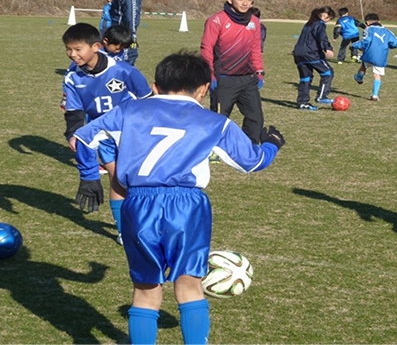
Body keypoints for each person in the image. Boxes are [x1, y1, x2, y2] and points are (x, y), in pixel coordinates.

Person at [71, 51, 285, 345]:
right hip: (187, 207)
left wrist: (88, 177)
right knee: (188, 287)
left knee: (145, 291)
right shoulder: (214, 122)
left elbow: (83, 136)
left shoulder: (129, 111)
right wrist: (272, 145)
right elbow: (253, 162)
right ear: (203, 90)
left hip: (138, 204)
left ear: (155, 87)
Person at [62, 23, 152, 246]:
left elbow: (148, 102)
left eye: (77, 49)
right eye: (68, 49)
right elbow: (74, 111)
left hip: (131, 132)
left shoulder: (124, 71)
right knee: (118, 178)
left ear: (95, 46)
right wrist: (74, 134)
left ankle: (147, 222)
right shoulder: (72, 76)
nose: (72, 54)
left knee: (140, 180)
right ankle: (124, 230)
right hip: (101, 133)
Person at [200, 0, 265, 144]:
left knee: (255, 116)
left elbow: (256, 48)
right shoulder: (216, 21)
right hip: (223, 79)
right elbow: (206, 48)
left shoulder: (255, 22)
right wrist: (210, 74)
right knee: (219, 117)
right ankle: (212, 149)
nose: (245, 3)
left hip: (247, 79)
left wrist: (259, 71)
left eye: (249, 0)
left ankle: (249, 147)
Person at [293, 6, 336, 110]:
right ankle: (322, 97)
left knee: (305, 78)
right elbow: (321, 37)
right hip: (311, 54)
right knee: (328, 72)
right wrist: (327, 48)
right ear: (325, 16)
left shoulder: (309, 23)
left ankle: (303, 102)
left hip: (298, 54)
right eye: (329, 19)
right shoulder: (319, 24)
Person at [352, 13, 397, 101]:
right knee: (377, 75)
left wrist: (354, 45)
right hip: (381, 56)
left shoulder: (368, 29)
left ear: (367, 22)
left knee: (364, 66)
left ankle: (359, 77)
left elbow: (365, 41)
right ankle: (375, 95)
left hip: (369, 53)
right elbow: (395, 43)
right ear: (379, 21)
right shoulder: (387, 31)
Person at [110, 0, 149, 66]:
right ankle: (123, 79)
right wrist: (132, 35)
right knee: (129, 55)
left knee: (121, 55)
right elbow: (129, 14)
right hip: (124, 32)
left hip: (118, 29)